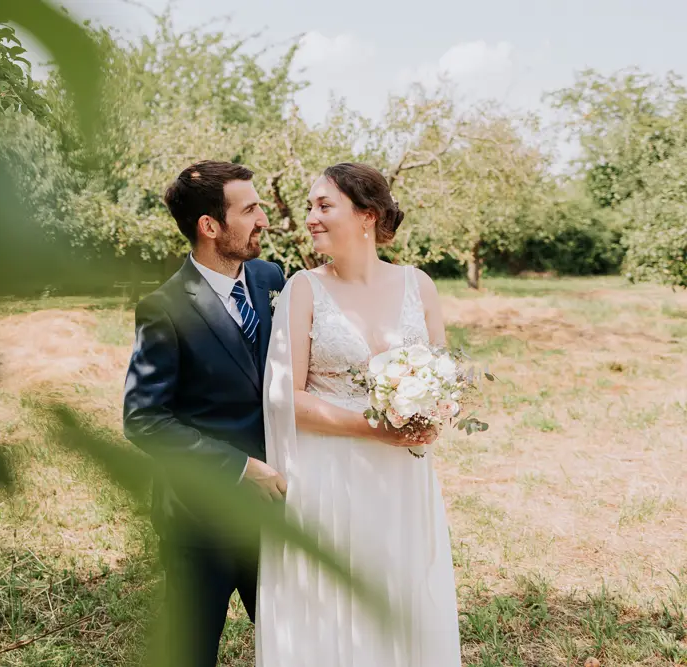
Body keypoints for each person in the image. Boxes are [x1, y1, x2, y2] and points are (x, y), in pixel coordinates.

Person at [256, 162, 462, 666]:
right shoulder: (304, 289)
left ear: (367, 215)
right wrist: (372, 427)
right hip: (328, 474)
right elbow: (286, 396)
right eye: (309, 206)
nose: (310, 217)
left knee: (400, 588)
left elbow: (444, 376)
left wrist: (434, 409)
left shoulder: (421, 286)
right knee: (333, 598)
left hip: (402, 475)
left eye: (324, 205)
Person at [122, 160, 288, 667]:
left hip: (280, 513)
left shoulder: (270, 278)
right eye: (251, 209)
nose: (264, 219)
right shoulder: (163, 308)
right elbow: (144, 418)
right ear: (210, 226)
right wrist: (238, 467)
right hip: (201, 522)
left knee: (291, 647)